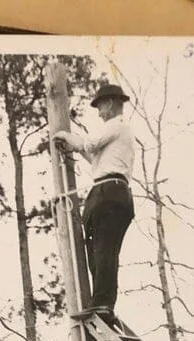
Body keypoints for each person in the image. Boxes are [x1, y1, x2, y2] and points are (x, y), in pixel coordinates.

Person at [53, 82, 136, 322]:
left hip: (109, 192)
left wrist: (66, 135)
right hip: (111, 191)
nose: (99, 113)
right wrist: (74, 148)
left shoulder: (116, 125)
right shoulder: (120, 133)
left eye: (100, 107)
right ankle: (101, 303)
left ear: (110, 104)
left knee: (103, 249)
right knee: (99, 248)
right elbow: (94, 158)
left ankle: (102, 304)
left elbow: (89, 144)